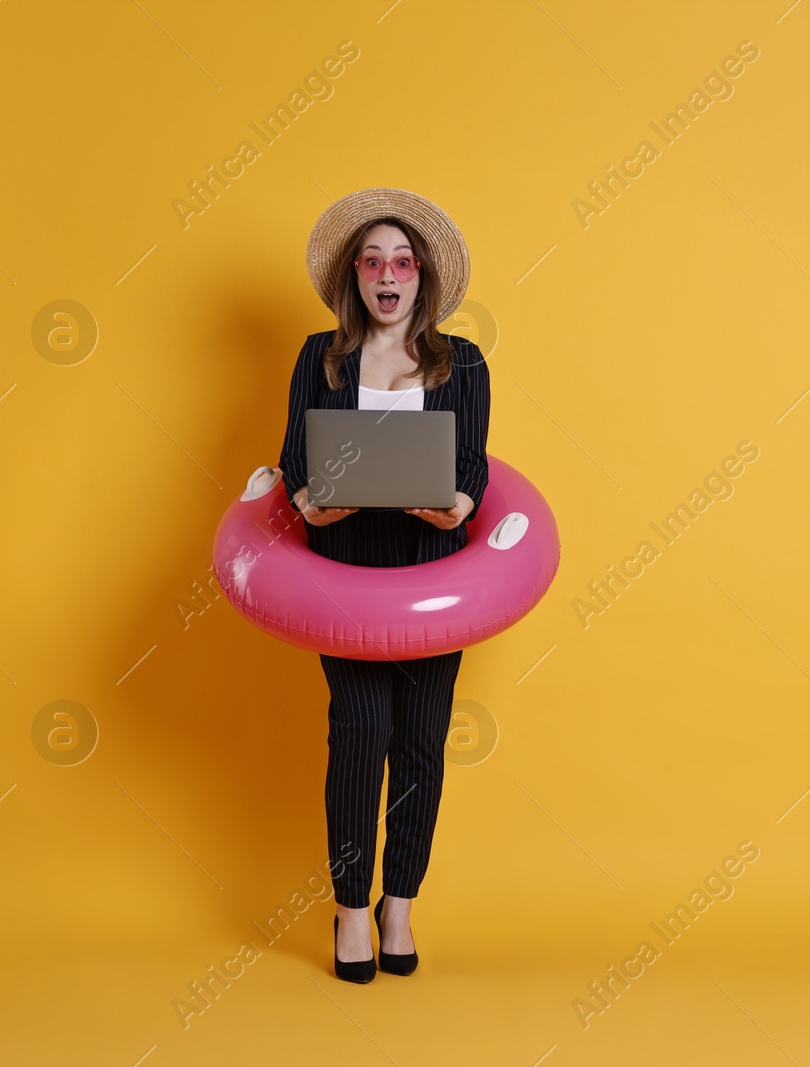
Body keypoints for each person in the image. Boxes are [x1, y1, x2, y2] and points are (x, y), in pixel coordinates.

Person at [277, 188, 489, 983]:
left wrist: (455, 505)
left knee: (422, 742)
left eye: (403, 261)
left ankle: (401, 902)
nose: (387, 274)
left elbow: (471, 463)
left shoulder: (461, 360)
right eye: (373, 261)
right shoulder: (318, 355)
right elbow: (296, 454)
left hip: (435, 572)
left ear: (422, 277)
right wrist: (310, 503)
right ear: (354, 277)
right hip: (347, 571)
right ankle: (351, 908)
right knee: (361, 732)